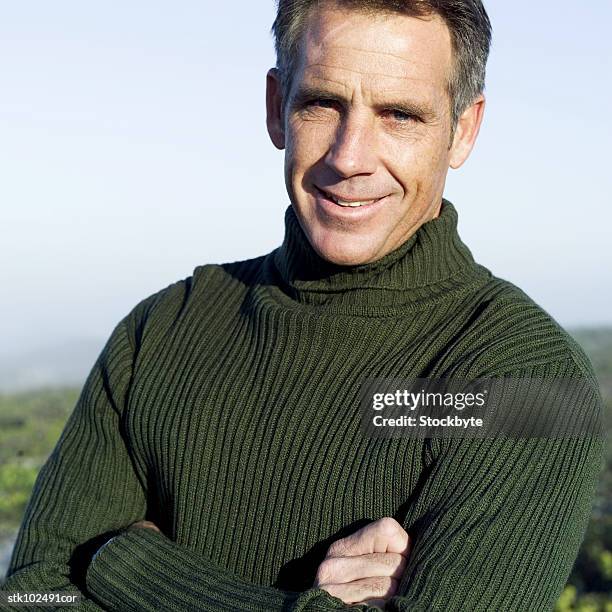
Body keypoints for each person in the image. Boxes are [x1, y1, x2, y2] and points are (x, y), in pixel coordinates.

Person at [2, 0, 604, 610]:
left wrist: (127, 567)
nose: (350, 156)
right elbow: (31, 596)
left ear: (463, 129)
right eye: (323, 104)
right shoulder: (159, 331)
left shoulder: (528, 384)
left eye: (400, 115)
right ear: (276, 109)